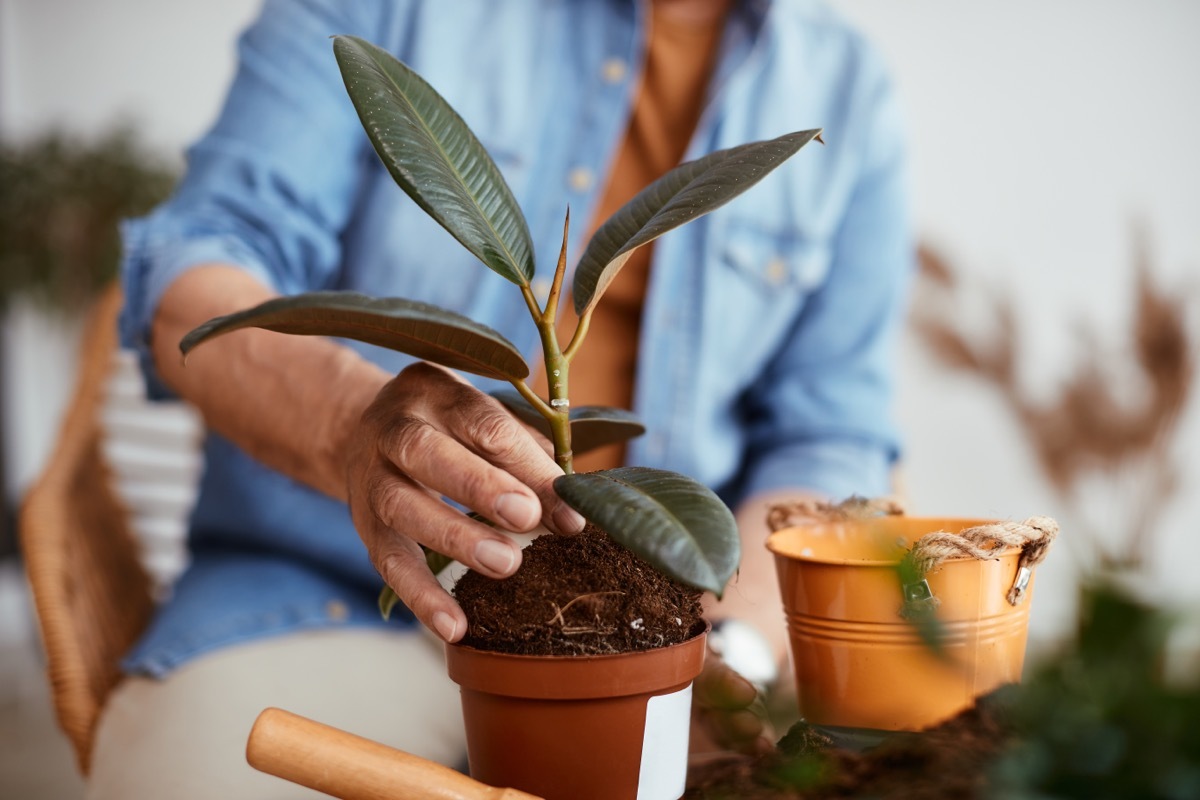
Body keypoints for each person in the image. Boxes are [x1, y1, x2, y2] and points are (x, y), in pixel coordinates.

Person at [92, 0, 912, 796]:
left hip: (651, 634)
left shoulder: (842, 82)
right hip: (328, 598)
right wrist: (352, 421)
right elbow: (193, 278)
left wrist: (729, 651)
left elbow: (829, 436)